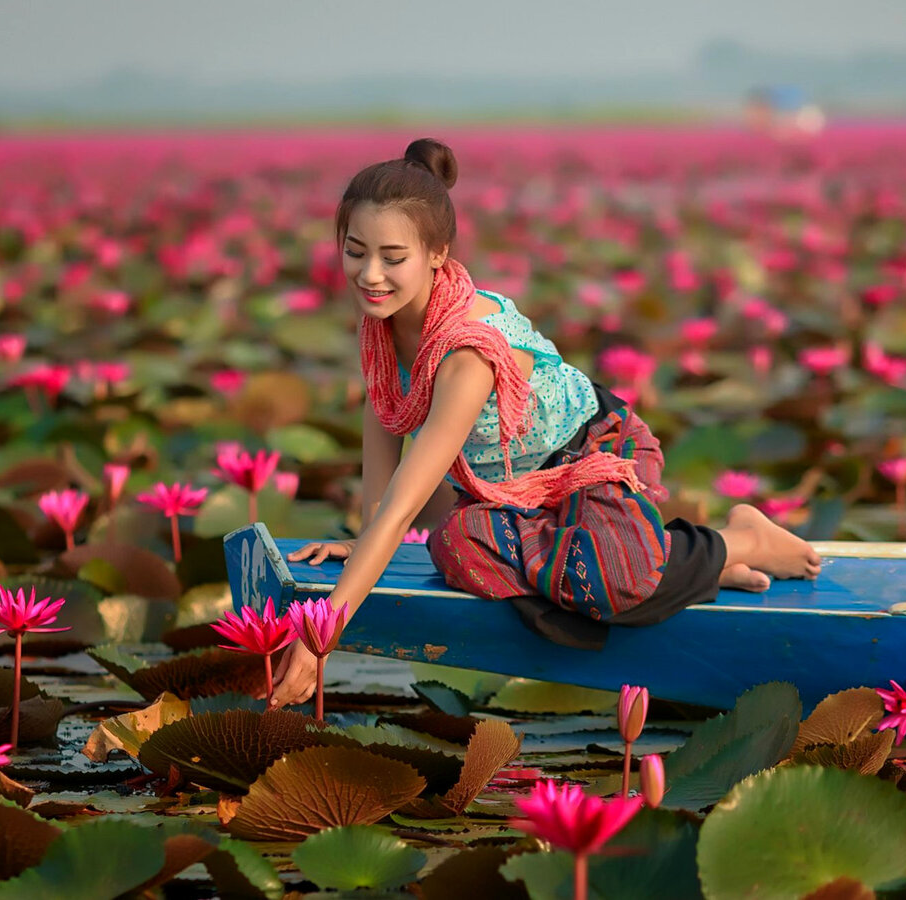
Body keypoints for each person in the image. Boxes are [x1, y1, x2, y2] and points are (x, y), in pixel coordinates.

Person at [268, 138, 821, 709]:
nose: (371, 275)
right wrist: (363, 539)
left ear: (438, 253)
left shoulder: (466, 355)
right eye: (356, 252)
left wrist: (320, 635)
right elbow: (384, 413)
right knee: (456, 548)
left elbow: (405, 504)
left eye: (393, 257)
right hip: (511, 493)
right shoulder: (382, 325)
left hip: (595, 458)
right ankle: (676, 576)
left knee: (608, 578)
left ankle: (737, 540)